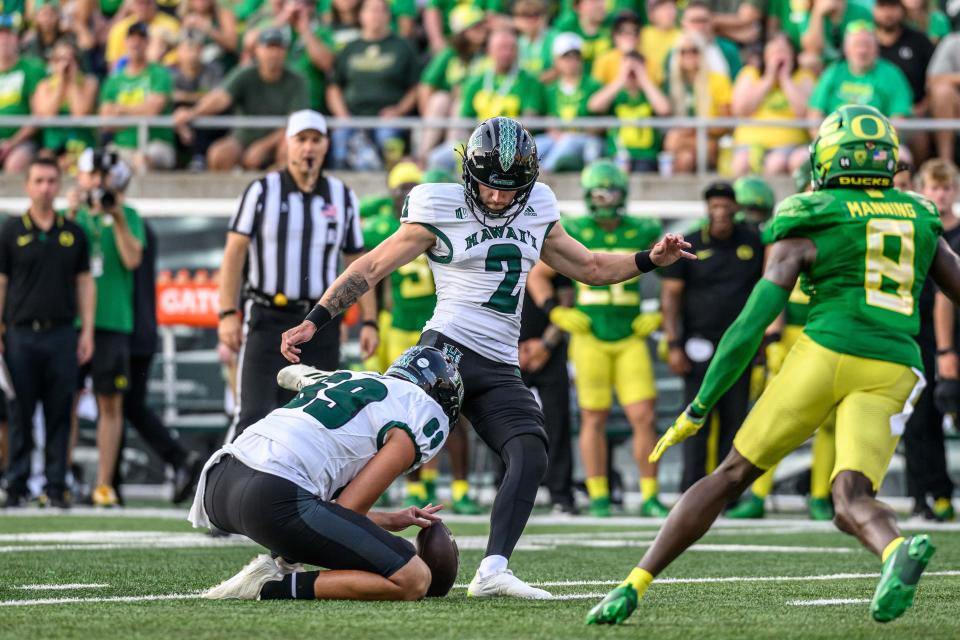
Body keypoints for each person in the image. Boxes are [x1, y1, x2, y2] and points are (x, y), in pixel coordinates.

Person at [280, 116, 694, 598]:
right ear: (467, 174)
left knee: (529, 450)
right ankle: (307, 528)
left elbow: (591, 266)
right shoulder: (439, 205)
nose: (498, 198)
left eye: (510, 188)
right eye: (488, 186)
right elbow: (372, 266)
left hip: (498, 364)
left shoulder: (537, 207)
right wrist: (317, 318)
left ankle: (493, 570)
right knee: (387, 446)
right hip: (444, 352)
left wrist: (649, 259)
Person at [587, 105, 952, 626]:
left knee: (732, 473)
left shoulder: (811, 213)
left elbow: (750, 324)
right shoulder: (919, 214)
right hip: (893, 364)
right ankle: (893, 551)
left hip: (824, 352)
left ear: (827, 157)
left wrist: (699, 405)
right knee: (850, 494)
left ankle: (633, 584)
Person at [189, 346, 463, 601]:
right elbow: (348, 509)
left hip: (220, 480)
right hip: (272, 496)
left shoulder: (349, 380)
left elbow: (335, 510)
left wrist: (389, 519)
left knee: (314, 485)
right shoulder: (417, 413)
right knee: (414, 578)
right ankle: (270, 586)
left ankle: (286, 561)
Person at [219, 110, 378, 439]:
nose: (308, 148)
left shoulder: (342, 196)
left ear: (326, 146)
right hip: (266, 317)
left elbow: (358, 264)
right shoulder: (262, 191)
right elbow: (234, 252)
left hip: (318, 322)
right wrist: (226, 314)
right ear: (287, 145)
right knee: (252, 415)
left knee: (318, 421)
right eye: (301, 140)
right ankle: (224, 489)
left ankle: (305, 492)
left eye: (315, 140)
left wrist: (370, 320)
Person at [527, 159, 667, 517]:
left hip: (629, 335)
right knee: (593, 416)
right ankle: (599, 494)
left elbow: (673, 276)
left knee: (644, 416)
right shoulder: (574, 228)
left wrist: (659, 312)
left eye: (611, 192)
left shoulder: (643, 228)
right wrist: (554, 312)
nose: (605, 200)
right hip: (590, 335)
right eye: (599, 193)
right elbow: (537, 274)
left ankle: (650, 494)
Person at [360, 162, 480, 514]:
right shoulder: (382, 226)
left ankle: (459, 487)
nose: (407, 194)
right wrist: (373, 325)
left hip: (436, 328)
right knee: (402, 413)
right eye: (400, 189)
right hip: (397, 328)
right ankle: (416, 486)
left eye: (413, 187)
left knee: (451, 410)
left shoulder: (438, 221)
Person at [726, 166, 837, 522]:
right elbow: (771, 285)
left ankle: (821, 496)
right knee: (777, 414)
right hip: (793, 329)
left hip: (830, 327)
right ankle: (758, 494)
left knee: (831, 418)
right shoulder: (789, 222)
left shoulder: (845, 220)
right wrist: (772, 337)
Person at [0, 158, 94, 508]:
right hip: (20, 334)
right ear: (27, 185)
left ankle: (56, 485)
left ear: (59, 185)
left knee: (59, 412)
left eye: (51, 181)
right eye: (39, 180)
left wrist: (86, 332)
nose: (45, 187)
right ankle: (16, 484)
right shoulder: (11, 230)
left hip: (61, 335)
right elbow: (2, 283)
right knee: (19, 413)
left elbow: (85, 283)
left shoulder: (74, 233)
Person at [660, 181, 763, 491]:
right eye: (714, 206)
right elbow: (671, 296)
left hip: (739, 344)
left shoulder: (754, 242)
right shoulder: (689, 243)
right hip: (699, 343)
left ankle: (727, 492)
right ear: (707, 209)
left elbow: (765, 289)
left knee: (735, 419)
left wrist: (762, 340)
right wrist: (674, 342)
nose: (720, 212)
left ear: (736, 208)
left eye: (725, 205)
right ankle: (690, 488)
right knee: (696, 418)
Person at [72, 148, 145, 507]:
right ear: (80, 177)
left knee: (110, 405)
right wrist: (74, 211)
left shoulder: (129, 214)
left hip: (113, 320)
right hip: (71, 322)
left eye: (103, 175)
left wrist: (115, 216)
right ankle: (62, 477)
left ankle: (103, 484)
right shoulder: (70, 216)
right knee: (63, 403)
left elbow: (133, 258)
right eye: (91, 175)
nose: (97, 182)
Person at [120, 219, 203, 504]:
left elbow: (129, 261)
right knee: (127, 405)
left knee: (117, 403)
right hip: (138, 330)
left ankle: (109, 483)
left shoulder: (129, 224)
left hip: (123, 331)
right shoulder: (141, 225)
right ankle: (178, 457)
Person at [173, 27, 308, 171]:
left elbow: (295, 123)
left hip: (279, 140)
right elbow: (220, 98)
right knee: (219, 155)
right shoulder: (245, 74)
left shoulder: (297, 80)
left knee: (291, 150)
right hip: (243, 139)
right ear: (257, 50)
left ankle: (281, 190)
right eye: (269, 47)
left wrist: (263, 146)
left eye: (278, 48)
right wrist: (192, 113)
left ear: (285, 52)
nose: (273, 54)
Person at [911, 158, 959, 521]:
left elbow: (948, 295)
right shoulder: (915, 229)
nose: (940, 195)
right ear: (922, 190)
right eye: (934, 188)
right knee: (919, 417)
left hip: (952, 335)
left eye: (946, 188)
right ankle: (926, 496)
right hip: (918, 332)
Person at [327, 0, 419, 169]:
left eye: (379, 11)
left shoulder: (403, 47)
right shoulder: (349, 48)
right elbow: (334, 88)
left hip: (388, 119)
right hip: (352, 117)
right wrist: (342, 115)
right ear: (361, 15)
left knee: (388, 140)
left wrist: (398, 111)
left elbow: (415, 88)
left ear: (387, 16)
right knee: (339, 140)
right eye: (370, 10)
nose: (375, 15)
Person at [518, 277, 576, 514]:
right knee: (502, 422)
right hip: (508, 349)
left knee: (557, 423)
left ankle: (561, 494)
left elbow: (566, 305)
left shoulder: (548, 253)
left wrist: (546, 344)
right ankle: (506, 489)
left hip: (549, 349)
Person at [731, 33, 814, 177]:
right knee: (740, 164)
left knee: (776, 163)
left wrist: (785, 80)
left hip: (790, 143)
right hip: (750, 142)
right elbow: (741, 109)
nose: (778, 57)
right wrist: (768, 79)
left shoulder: (803, 76)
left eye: (783, 52)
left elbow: (805, 112)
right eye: (774, 52)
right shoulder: (750, 74)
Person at [99, 22, 177, 172]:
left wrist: (121, 111)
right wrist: (140, 111)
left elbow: (153, 110)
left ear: (147, 43)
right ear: (125, 42)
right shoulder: (113, 80)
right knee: (104, 161)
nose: (136, 43)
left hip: (156, 144)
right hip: (122, 147)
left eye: (141, 38)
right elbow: (106, 122)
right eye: (132, 38)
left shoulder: (159, 73)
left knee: (143, 160)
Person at [807, 22, 914, 127]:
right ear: (846, 49)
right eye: (856, 45)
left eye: (867, 45)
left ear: (877, 49)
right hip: (836, 139)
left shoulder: (891, 74)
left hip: (879, 139)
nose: (862, 50)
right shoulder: (833, 72)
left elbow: (899, 118)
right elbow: (815, 114)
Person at [587, 50, 671, 173]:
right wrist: (620, 79)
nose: (632, 74)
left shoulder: (649, 94)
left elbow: (664, 109)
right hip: (618, 155)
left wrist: (644, 78)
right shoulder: (615, 95)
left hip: (646, 156)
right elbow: (593, 106)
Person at [662, 32, 733, 174]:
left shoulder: (718, 80)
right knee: (685, 158)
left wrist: (696, 128)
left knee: (675, 141)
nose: (689, 55)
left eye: (694, 50)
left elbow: (727, 123)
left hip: (711, 140)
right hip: (685, 144)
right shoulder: (673, 85)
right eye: (683, 51)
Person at [874, 0, 934, 163]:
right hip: (874, 111)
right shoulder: (865, 42)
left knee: (918, 133)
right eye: (883, 7)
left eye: (893, 7)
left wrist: (925, 104)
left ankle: (915, 176)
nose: (888, 13)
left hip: (912, 112)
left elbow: (934, 77)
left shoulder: (919, 41)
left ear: (902, 10)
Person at [535, 32, 603, 173]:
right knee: (534, 144)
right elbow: (550, 118)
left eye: (575, 57)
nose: (571, 62)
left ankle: (544, 172)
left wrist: (574, 132)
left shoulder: (593, 85)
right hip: (558, 138)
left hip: (585, 139)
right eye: (566, 58)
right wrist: (555, 132)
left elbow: (600, 125)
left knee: (568, 141)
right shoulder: (551, 89)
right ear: (556, 61)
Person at [30, 38, 98, 171]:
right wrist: (61, 82)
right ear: (52, 63)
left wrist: (72, 81)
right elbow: (48, 115)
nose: (65, 64)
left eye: (70, 59)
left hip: (82, 146)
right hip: (54, 149)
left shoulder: (89, 83)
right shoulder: (44, 86)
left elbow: (80, 114)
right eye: (59, 59)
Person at [0, 14, 44, 174]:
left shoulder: (32, 68)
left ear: (17, 39)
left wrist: (11, 143)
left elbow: (38, 114)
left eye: (8, 34)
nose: (3, 40)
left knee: (15, 164)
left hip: (23, 141)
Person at [105, 0, 180, 69]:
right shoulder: (120, 29)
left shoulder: (171, 25)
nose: (144, 7)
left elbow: (177, 58)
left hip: (165, 70)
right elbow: (113, 66)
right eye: (140, 3)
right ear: (132, 5)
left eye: (148, 3)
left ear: (155, 3)